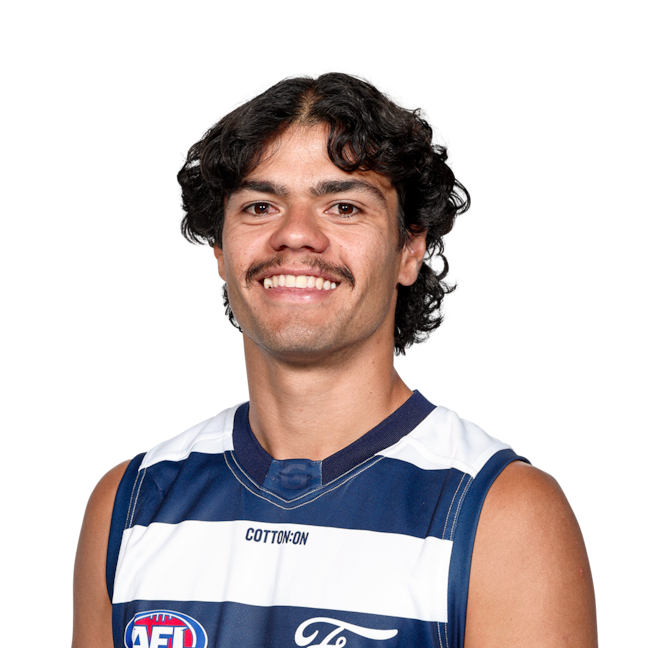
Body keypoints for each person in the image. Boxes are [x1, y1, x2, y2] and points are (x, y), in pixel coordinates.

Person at [71, 66, 598, 647]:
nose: (296, 234)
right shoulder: (129, 503)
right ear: (218, 248)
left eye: (344, 207)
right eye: (260, 206)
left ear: (410, 249)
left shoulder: (504, 514)